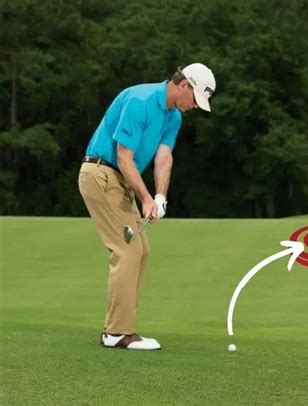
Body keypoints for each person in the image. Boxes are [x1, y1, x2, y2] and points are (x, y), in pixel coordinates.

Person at [78, 63, 216, 350]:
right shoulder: (140, 100)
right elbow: (123, 156)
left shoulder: (173, 117)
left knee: (141, 249)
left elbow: (164, 157)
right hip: (101, 173)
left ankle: (118, 329)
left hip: (121, 180)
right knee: (127, 249)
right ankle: (117, 333)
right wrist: (145, 198)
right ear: (183, 85)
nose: (194, 106)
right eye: (195, 99)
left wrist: (160, 196)